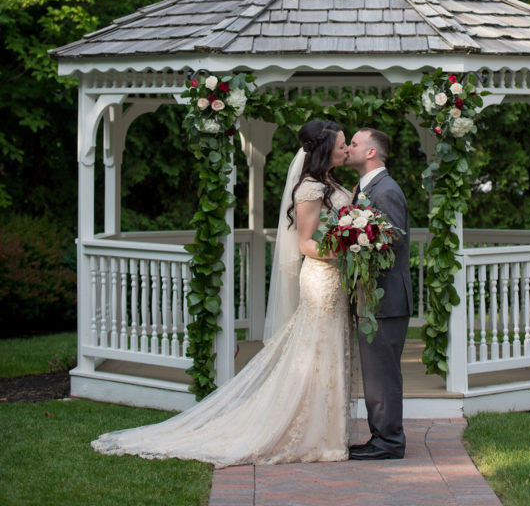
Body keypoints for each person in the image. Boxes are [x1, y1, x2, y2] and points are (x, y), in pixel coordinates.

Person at [91, 120, 353, 465]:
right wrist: (348, 250)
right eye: (341, 145)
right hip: (321, 279)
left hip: (334, 279)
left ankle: (327, 434)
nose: (347, 150)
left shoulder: (329, 182)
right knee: (316, 352)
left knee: (327, 352)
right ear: (324, 151)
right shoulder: (309, 188)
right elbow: (306, 243)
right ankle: (312, 435)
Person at [345, 127, 412, 460]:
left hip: (386, 298)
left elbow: (392, 238)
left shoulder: (385, 191)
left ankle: (389, 442)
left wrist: (352, 240)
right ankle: (381, 437)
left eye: (354, 144)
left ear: (371, 152)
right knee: (377, 373)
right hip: (374, 297)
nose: (348, 148)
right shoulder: (366, 188)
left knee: (382, 374)